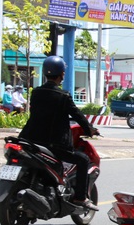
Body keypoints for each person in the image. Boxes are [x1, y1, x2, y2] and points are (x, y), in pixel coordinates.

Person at [18, 56, 100, 211]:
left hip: (30, 141)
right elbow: (77, 115)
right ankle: (81, 198)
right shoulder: (63, 96)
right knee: (83, 160)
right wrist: (89, 129)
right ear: (62, 74)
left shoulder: (36, 92)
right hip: (54, 145)